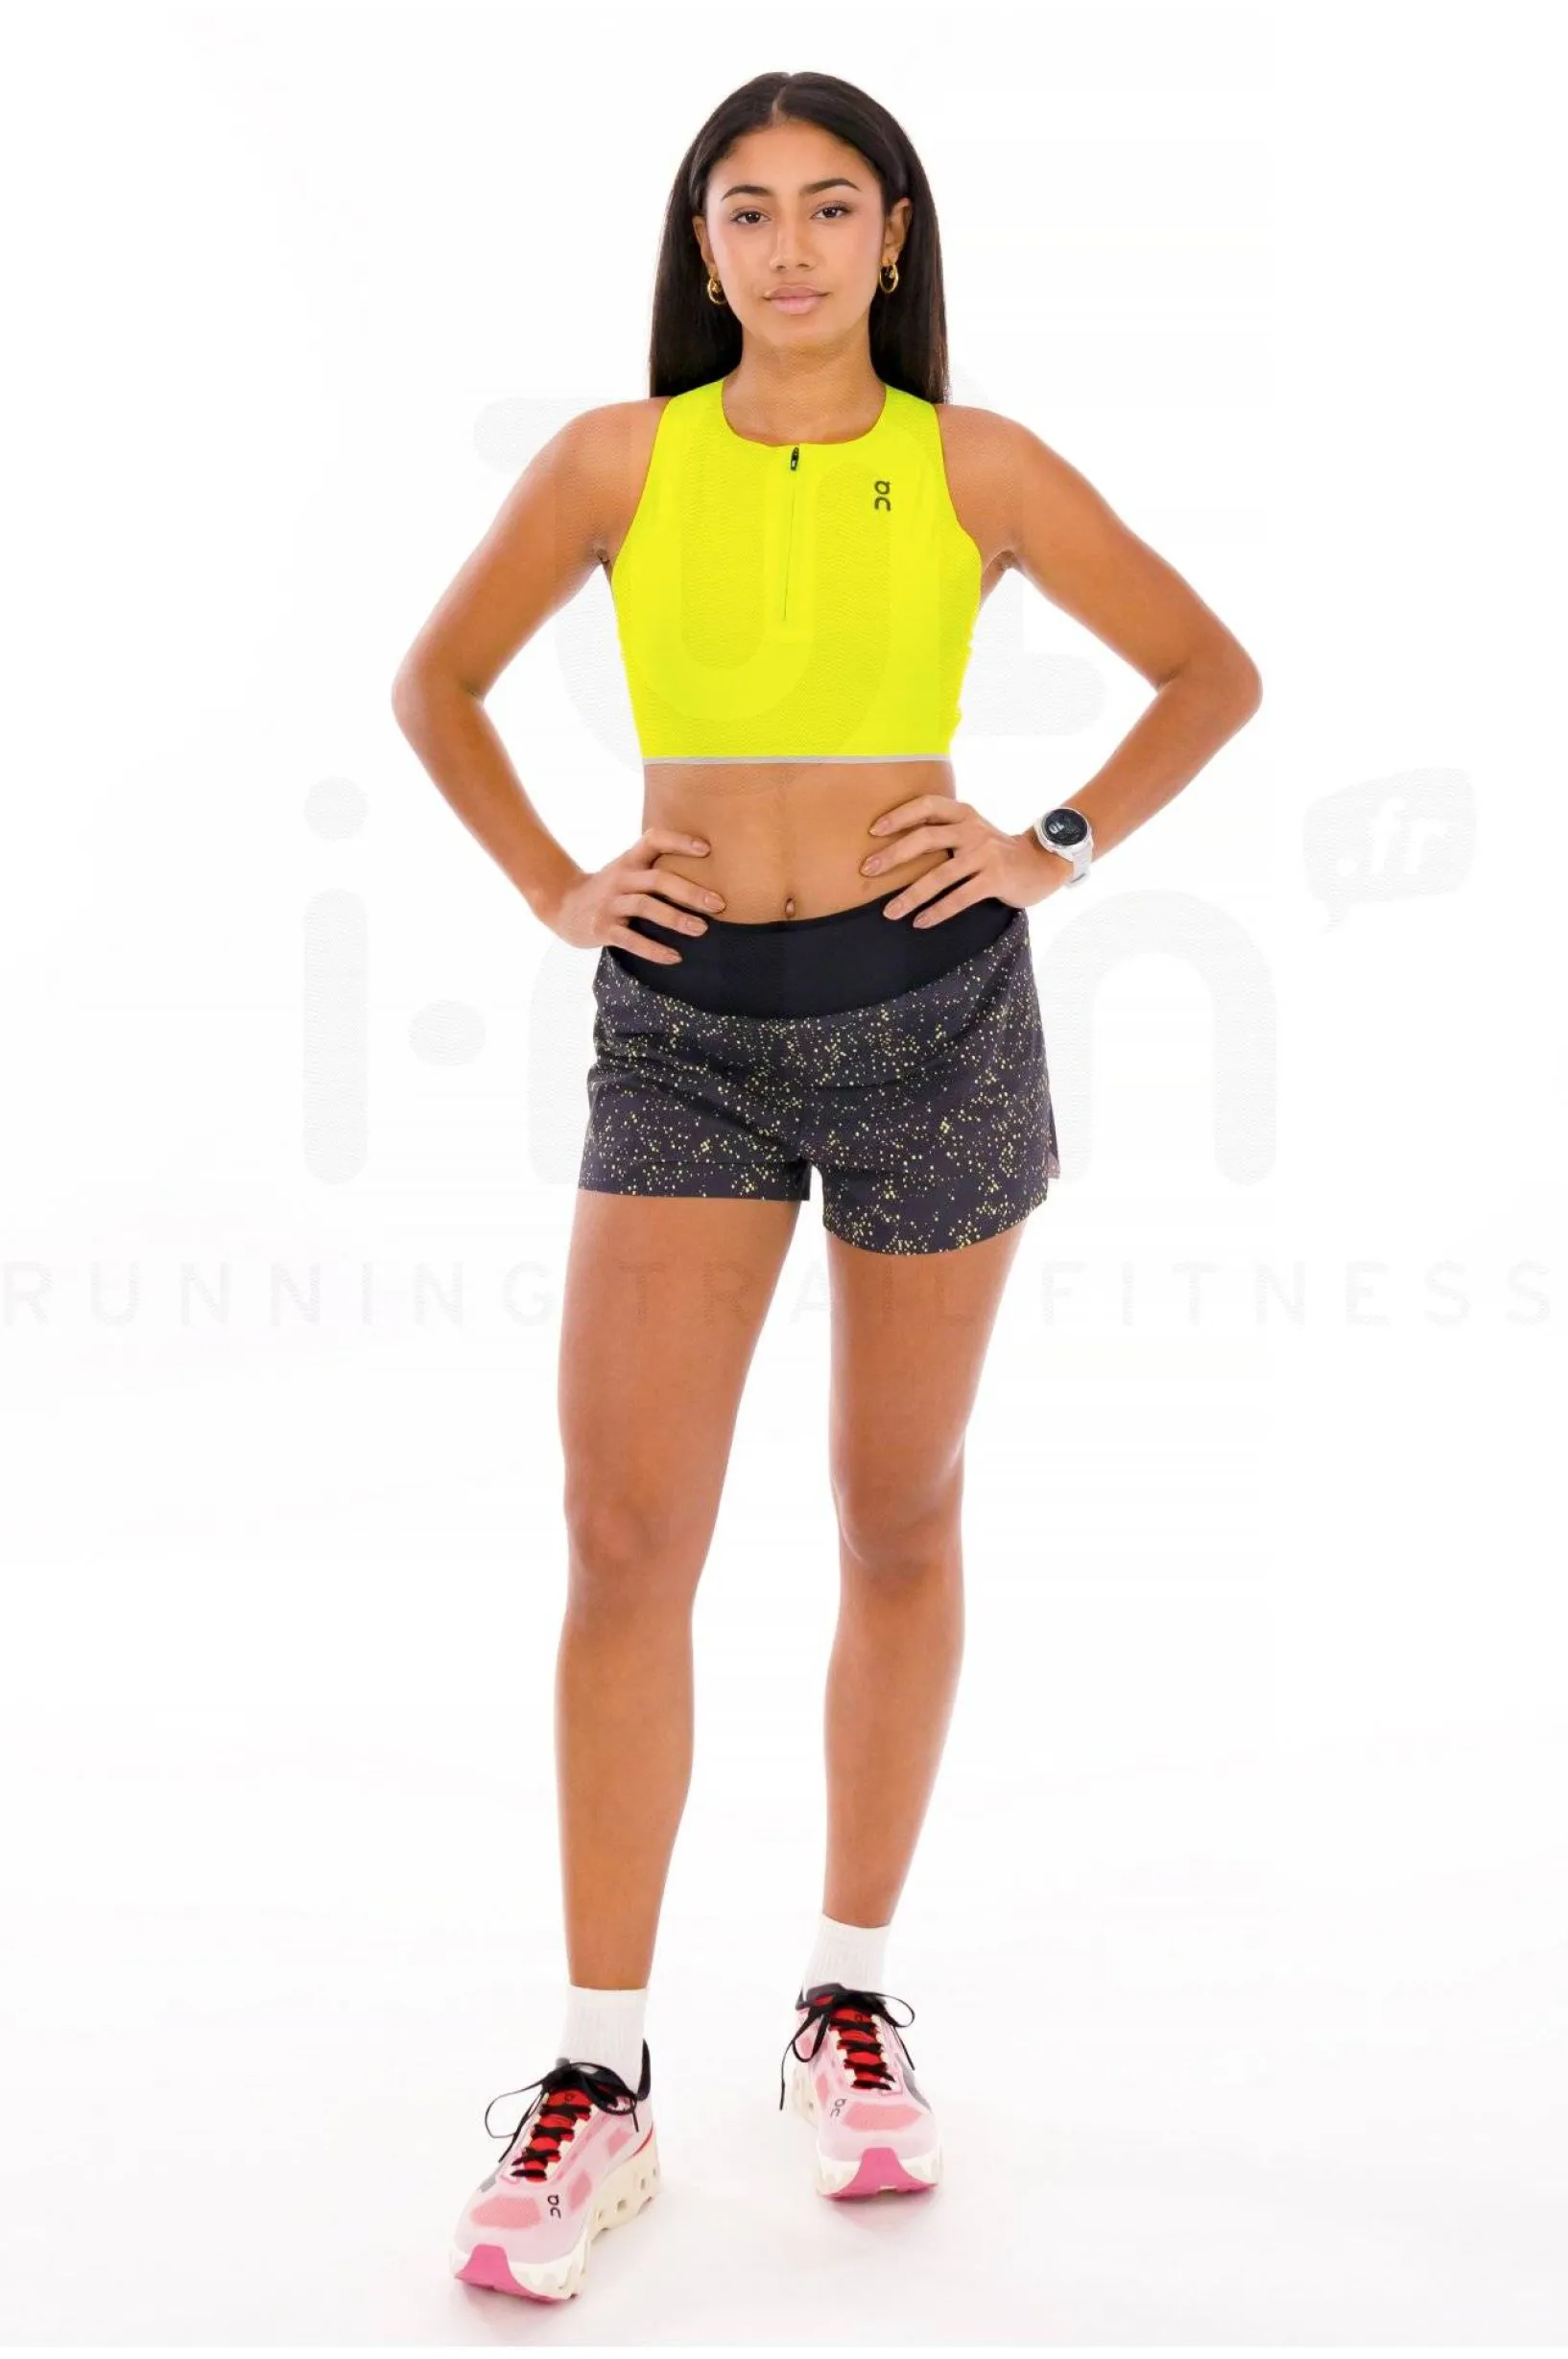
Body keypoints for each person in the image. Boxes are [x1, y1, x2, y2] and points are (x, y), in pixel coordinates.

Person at [392, 70, 1261, 2306]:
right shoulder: (616, 460)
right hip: (682, 1028)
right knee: (624, 1531)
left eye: (829, 206)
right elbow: (438, 683)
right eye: (748, 208)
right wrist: (554, 884)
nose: (788, 245)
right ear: (702, 244)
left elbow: (1209, 671)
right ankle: (598, 2073)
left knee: (896, 1511)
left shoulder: (975, 465)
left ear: (894, 237)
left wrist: (1046, 844)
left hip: (934, 1019)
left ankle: (847, 2000)